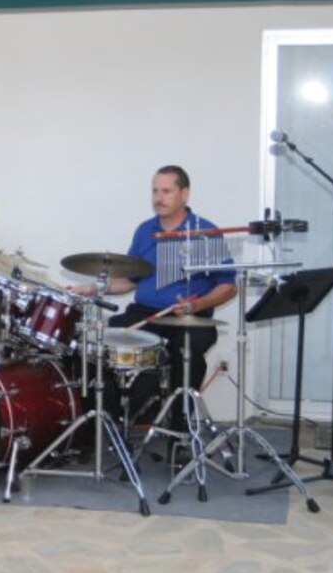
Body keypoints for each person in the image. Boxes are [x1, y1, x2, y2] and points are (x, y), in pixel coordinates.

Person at [72, 165, 236, 429]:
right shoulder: (144, 231)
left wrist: (199, 304)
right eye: (155, 191)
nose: (159, 197)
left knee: (187, 352)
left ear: (184, 194)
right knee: (103, 340)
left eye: (166, 191)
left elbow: (228, 285)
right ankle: (109, 425)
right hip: (146, 313)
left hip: (190, 317)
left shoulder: (205, 232)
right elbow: (130, 279)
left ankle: (180, 432)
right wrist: (94, 288)